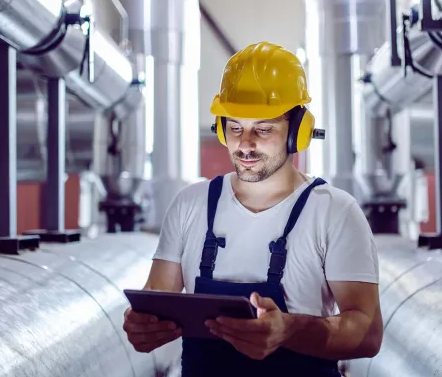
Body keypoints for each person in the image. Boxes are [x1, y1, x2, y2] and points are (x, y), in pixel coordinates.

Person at [123, 41, 383, 376]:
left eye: (263, 128)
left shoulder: (335, 212)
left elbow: (368, 333)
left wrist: (288, 330)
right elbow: (156, 298)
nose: (246, 143)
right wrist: (142, 327)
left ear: (297, 132)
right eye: (235, 127)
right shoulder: (190, 205)